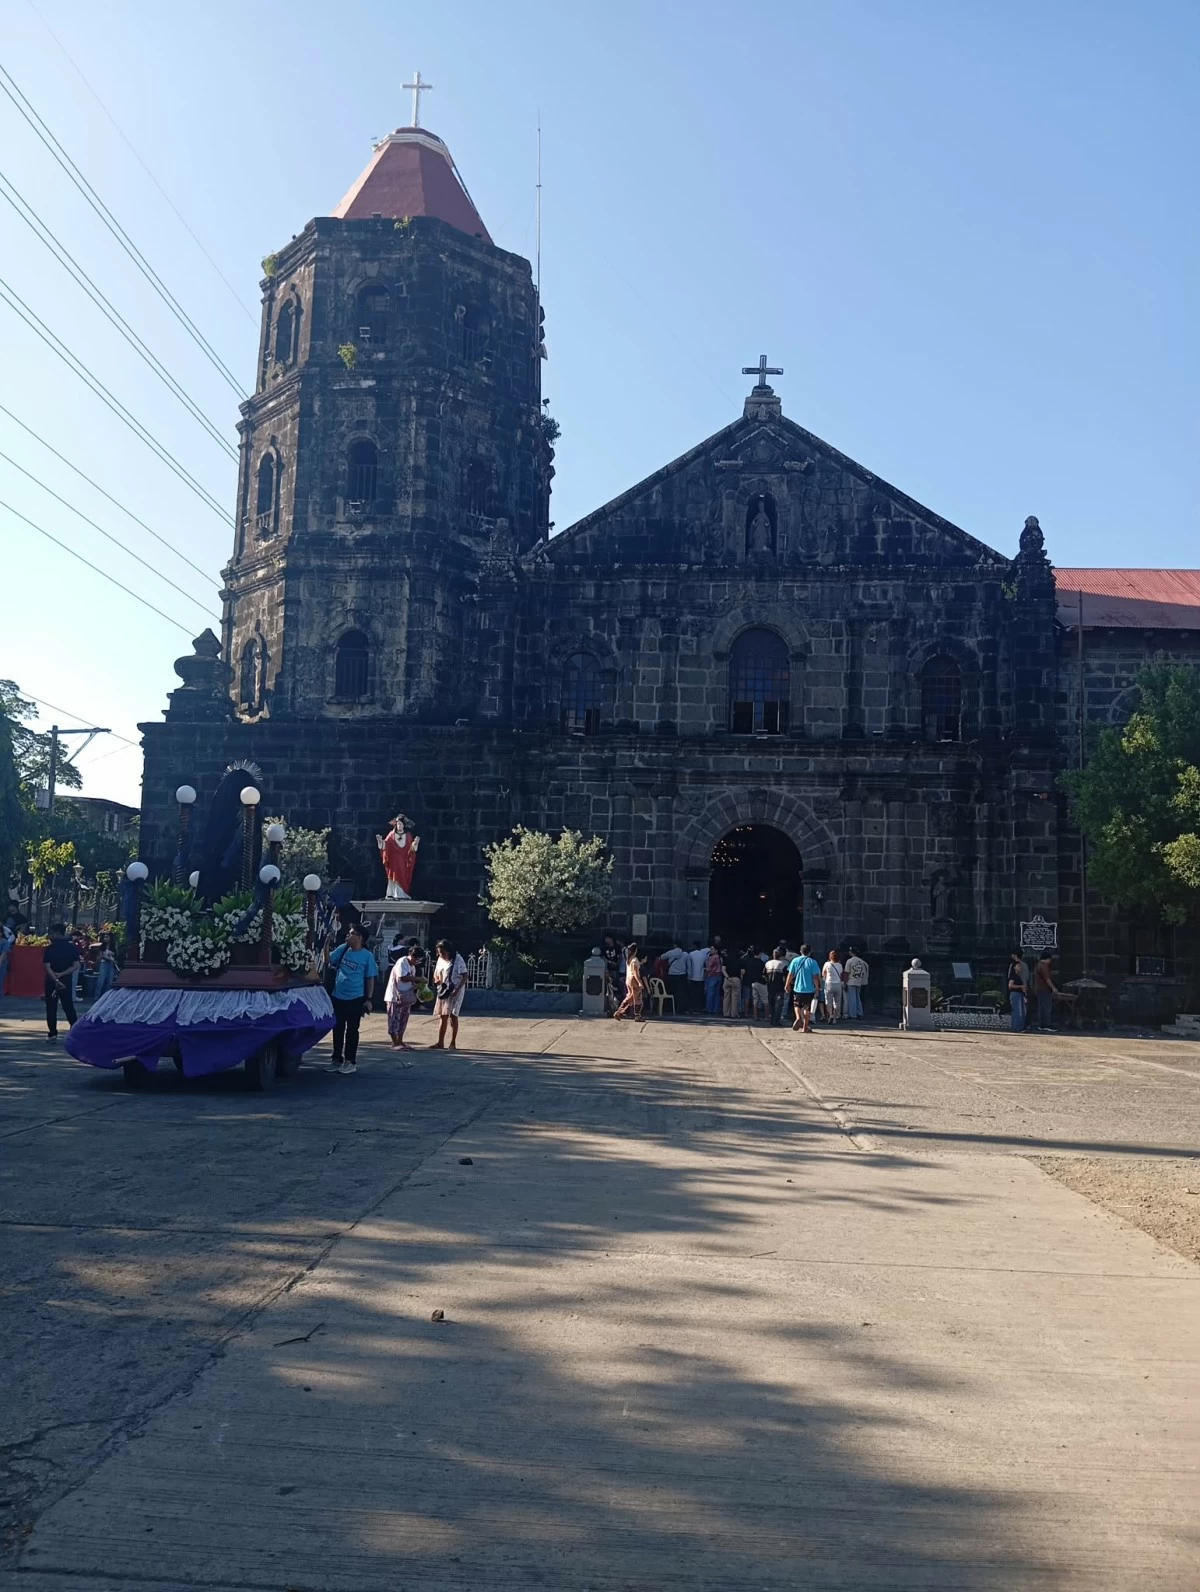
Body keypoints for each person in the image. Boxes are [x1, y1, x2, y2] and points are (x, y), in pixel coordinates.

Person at [326, 925, 377, 1074]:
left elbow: (370, 979)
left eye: (351, 933)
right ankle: (336, 1059)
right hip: (338, 995)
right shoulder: (343, 949)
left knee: (352, 1030)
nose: (347, 936)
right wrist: (326, 944)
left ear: (359, 937)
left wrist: (368, 999)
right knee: (337, 1029)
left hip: (355, 997)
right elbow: (328, 960)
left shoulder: (367, 956)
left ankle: (350, 1061)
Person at [42, 922, 81, 1039]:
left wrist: (55, 979)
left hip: (51, 980)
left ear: (58, 933)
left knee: (51, 1007)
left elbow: (47, 967)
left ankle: (53, 1033)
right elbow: (75, 965)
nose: (49, 936)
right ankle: (75, 1030)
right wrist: (62, 975)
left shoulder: (50, 949)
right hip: (66, 980)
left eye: (51, 933)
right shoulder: (72, 948)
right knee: (68, 1005)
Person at [431, 938, 468, 1049]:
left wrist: (458, 989)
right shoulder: (440, 960)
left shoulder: (458, 959)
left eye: (443, 952)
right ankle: (440, 1042)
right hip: (444, 989)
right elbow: (436, 973)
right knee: (443, 1016)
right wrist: (436, 979)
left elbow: (465, 975)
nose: (441, 955)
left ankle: (452, 1042)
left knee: (453, 1015)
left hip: (455, 990)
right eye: (439, 953)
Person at [384, 941, 417, 1053]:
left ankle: (400, 1040)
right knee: (394, 1019)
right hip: (395, 996)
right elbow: (402, 977)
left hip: (405, 995)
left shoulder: (412, 966)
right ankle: (395, 1042)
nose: (416, 962)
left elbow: (410, 980)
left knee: (403, 1019)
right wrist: (417, 979)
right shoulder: (402, 962)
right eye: (416, 959)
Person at [785, 943, 823, 1033]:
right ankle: (805, 1027)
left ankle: (798, 1018)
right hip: (809, 989)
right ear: (809, 952)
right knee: (807, 1008)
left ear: (800, 951)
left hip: (798, 988)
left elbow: (790, 974)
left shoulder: (795, 960)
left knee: (796, 1005)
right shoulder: (813, 962)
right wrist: (817, 988)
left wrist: (787, 984)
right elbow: (815, 977)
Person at [612, 942, 645, 1021]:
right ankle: (637, 1015)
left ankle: (619, 1012)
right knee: (637, 998)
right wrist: (640, 982)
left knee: (630, 997)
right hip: (634, 981)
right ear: (635, 951)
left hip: (628, 980)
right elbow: (636, 973)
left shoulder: (628, 960)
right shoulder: (634, 960)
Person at [764, 944, 789, 1027]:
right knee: (779, 1005)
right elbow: (787, 975)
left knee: (771, 1004)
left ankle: (771, 1019)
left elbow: (763, 974)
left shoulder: (767, 963)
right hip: (779, 987)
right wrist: (787, 985)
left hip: (770, 987)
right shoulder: (783, 964)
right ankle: (776, 1020)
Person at [843, 945, 869, 1021]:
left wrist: (845, 982)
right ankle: (860, 1013)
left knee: (852, 998)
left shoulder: (849, 961)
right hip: (859, 981)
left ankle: (853, 1014)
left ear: (851, 952)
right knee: (858, 998)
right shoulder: (862, 962)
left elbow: (846, 973)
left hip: (851, 981)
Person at [664, 939, 689, 1015]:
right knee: (681, 993)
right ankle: (681, 1009)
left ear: (675, 945)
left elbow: (662, 957)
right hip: (682, 976)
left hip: (672, 975)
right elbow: (689, 966)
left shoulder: (670, 952)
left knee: (671, 992)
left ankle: (670, 1008)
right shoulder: (685, 954)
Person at [820, 950, 844, 1023]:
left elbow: (823, 974)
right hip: (838, 984)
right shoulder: (840, 965)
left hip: (829, 984)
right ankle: (835, 1017)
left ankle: (830, 1015)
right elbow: (841, 974)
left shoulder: (827, 964)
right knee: (837, 1002)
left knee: (828, 1001)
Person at [1007, 953, 1028, 1032]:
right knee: (1017, 1011)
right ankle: (1016, 1027)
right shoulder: (1013, 976)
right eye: (1018, 966)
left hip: (1020, 994)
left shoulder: (1018, 976)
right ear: (1014, 967)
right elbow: (1010, 986)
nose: (1020, 967)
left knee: (1023, 1012)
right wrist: (1020, 987)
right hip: (1015, 994)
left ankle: (1020, 1027)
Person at [686, 940, 709, 1012]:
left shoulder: (691, 954)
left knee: (692, 994)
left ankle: (691, 1007)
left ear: (694, 946)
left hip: (692, 977)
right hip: (701, 977)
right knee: (699, 994)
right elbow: (706, 965)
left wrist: (688, 976)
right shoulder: (704, 955)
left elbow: (689, 966)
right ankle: (698, 1008)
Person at [722, 944, 744, 1019]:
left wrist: (727, 977)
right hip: (736, 979)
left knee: (726, 997)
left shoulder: (726, 959)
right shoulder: (740, 960)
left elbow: (723, 970)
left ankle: (726, 1013)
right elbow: (742, 972)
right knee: (735, 998)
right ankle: (734, 1014)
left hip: (727, 979)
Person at [703, 943, 724, 1015]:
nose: (710, 950)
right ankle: (716, 1009)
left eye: (712, 949)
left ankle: (709, 1009)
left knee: (710, 993)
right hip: (719, 976)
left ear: (716, 950)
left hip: (712, 976)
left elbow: (709, 968)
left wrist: (705, 973)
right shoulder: (720, 957)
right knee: (717, 994)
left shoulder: (712, 958)